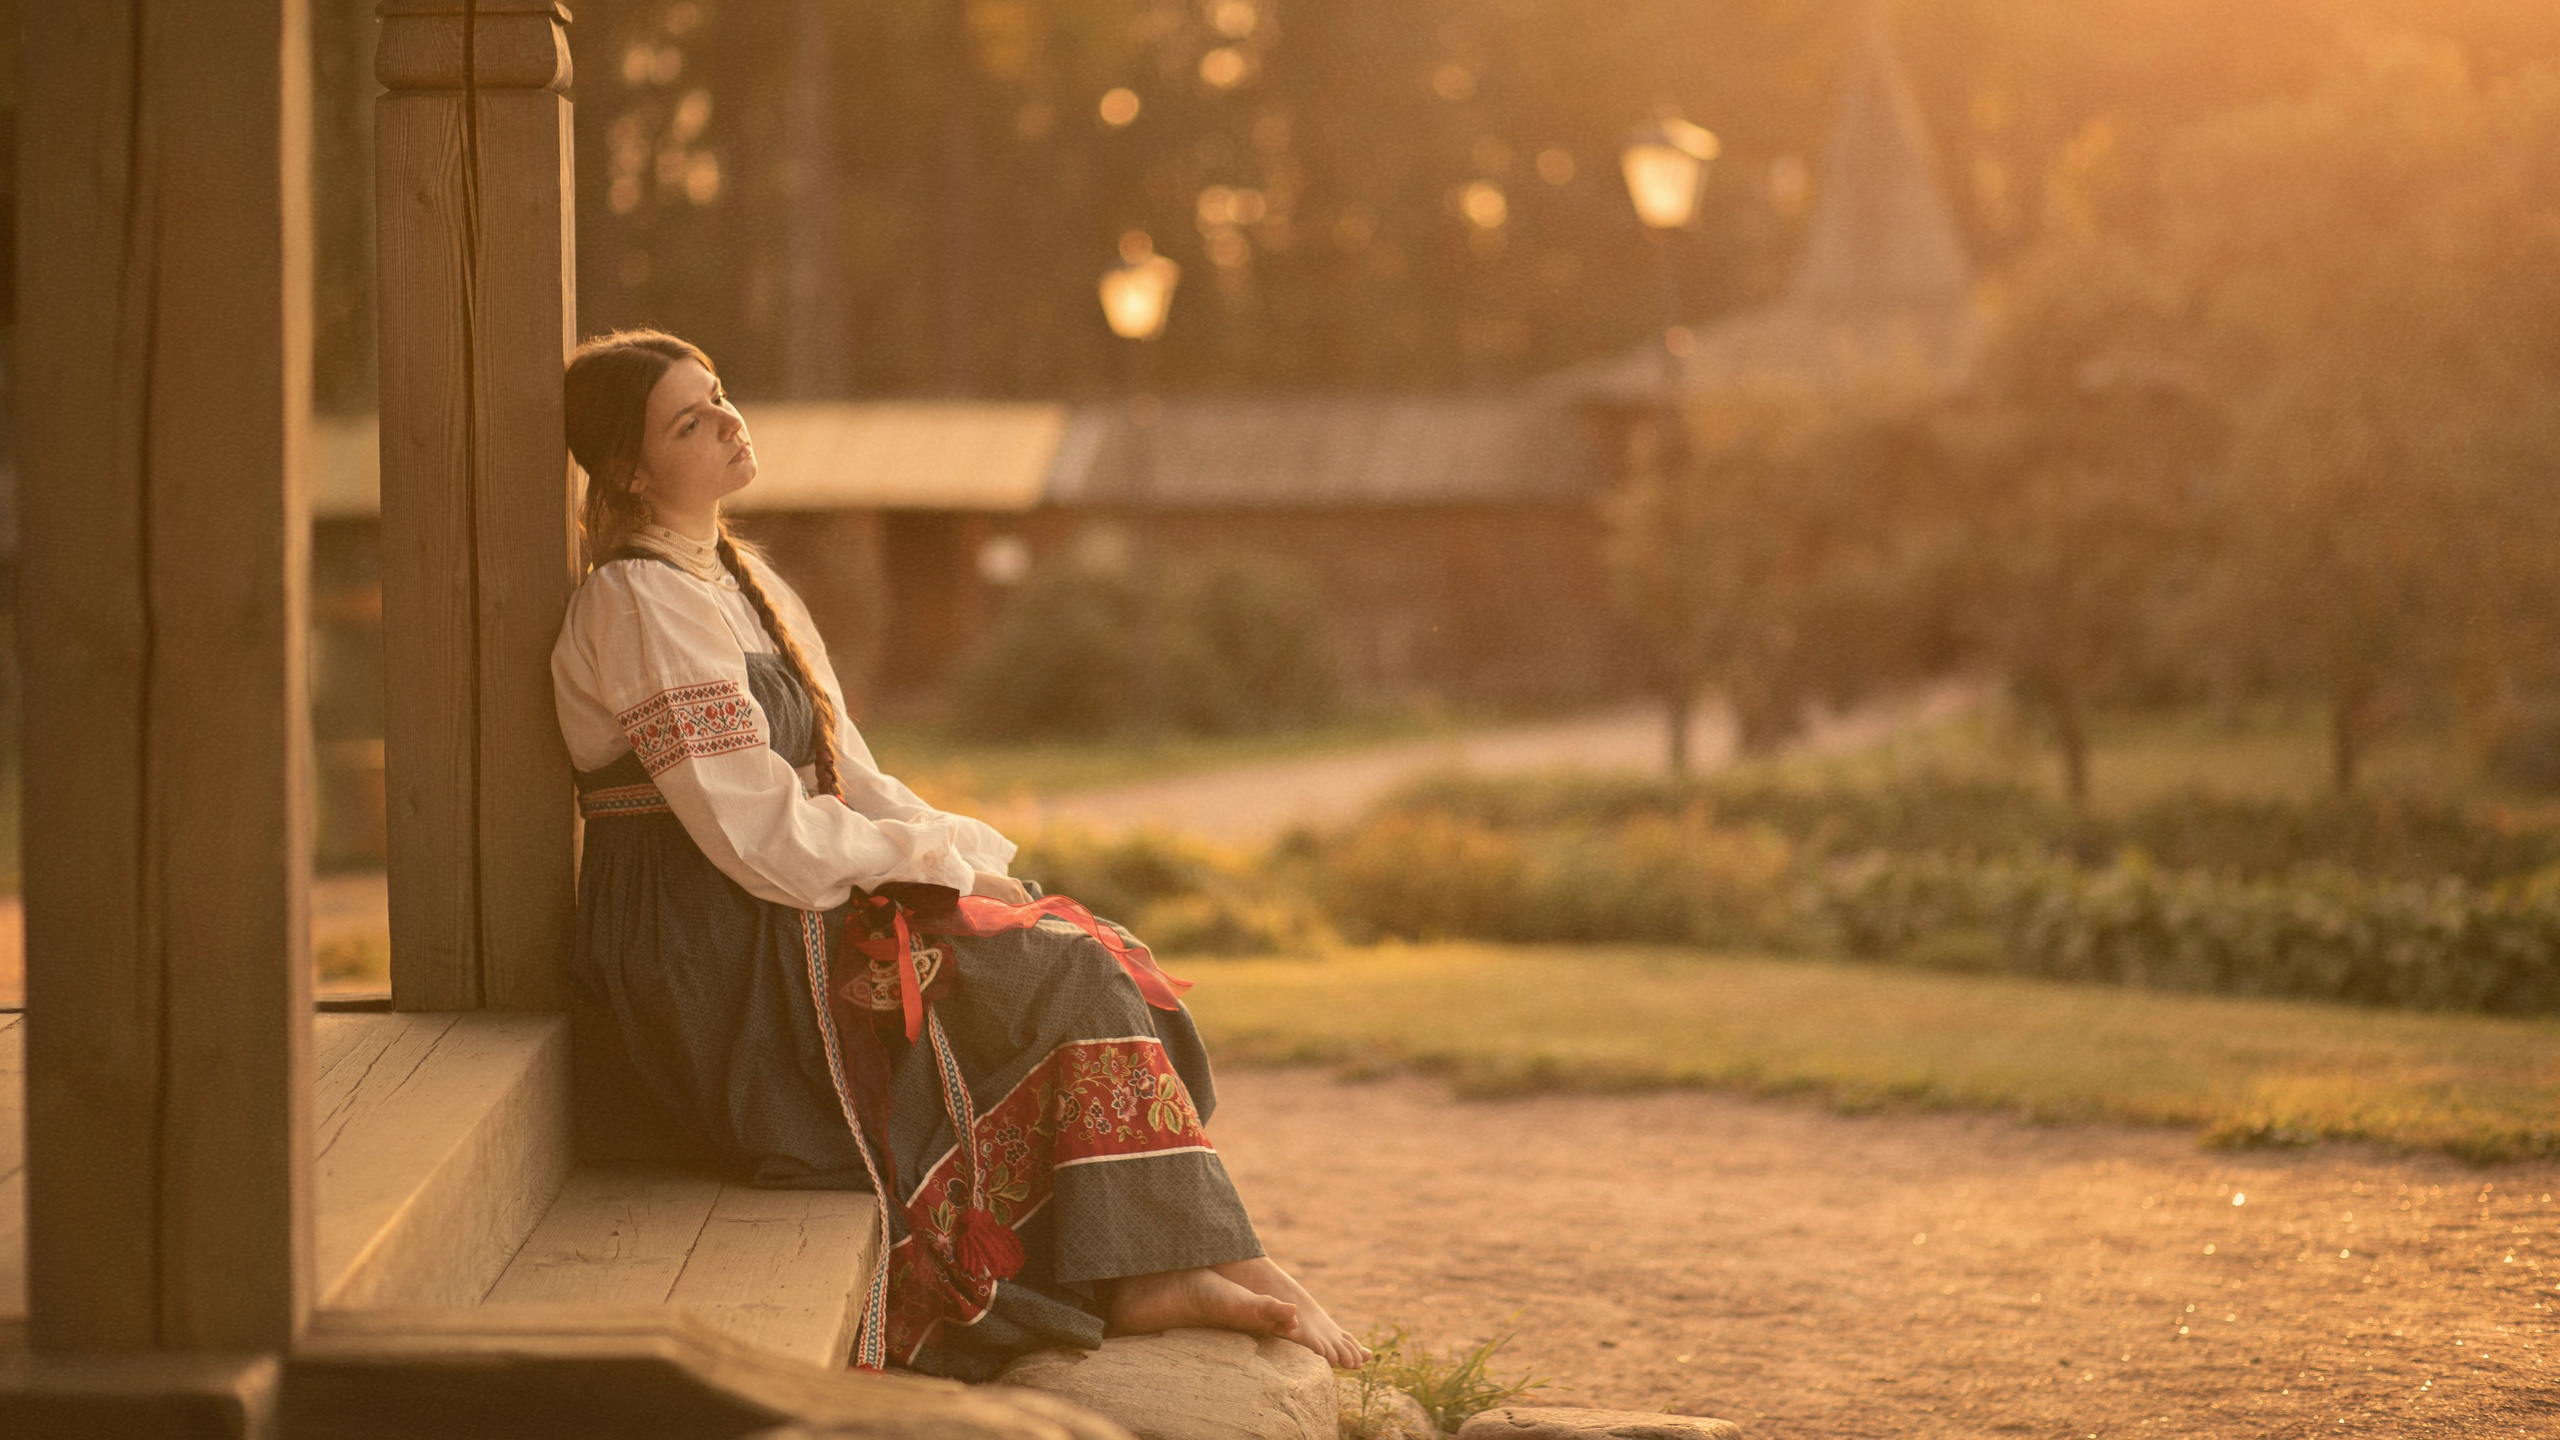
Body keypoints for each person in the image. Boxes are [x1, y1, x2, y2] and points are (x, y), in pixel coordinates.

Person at [551, 329, 1366, 1380]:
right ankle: (1177, 1268)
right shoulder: (635, 600)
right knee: (1054, 970)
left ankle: (1194, 1257)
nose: (727, 422)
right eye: (689, 421)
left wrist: (957, 854)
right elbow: (751, 828)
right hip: (706, 942)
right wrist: (924, 869)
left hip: (773, 896)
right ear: (627, 468)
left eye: (720, 397)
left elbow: (850, 776)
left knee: (1082, 944)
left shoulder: (744, 583)